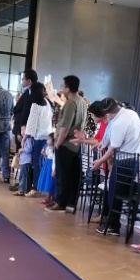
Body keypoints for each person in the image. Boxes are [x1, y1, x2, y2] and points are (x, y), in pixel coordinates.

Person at [91, 98, 140, 235]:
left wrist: (99, 161)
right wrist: (103, 143)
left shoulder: (120, 122)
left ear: (108, 114)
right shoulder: (129, 114)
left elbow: (114, 148)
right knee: (113, 191)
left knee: (114, 193)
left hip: (125, 161)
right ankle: (111, 221)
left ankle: (113, 225)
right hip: (132, 159)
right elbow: (110, 137)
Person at [46, 75, 87, 212]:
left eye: (63, 86)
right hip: (76, 144)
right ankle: (71, 203)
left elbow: (64, 127)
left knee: (62, 175)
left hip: (66, 143)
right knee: (72, 175)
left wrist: (57, 144)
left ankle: (61, 202)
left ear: (68, 88)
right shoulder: (81, 101)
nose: (61, 88)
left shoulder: (70, 103)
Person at [24, 82, 53, 197]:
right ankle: (40, 186)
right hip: (47, 136)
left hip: (39, 137)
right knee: (42, 162)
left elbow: (31, 125)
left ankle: (36, 188)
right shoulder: (47, 102)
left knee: (36, 163)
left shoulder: (35, 105)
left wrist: (24, 137)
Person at [13, 69, 38, 151]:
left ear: (29, 81)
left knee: (22, 153)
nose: (22, 81)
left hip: (23, 128)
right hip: (22, 127)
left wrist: (20, 131)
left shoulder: (30, 93)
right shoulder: (27, 92)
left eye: (23, 79)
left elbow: (26, 112)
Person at [13, 126, 33, 196]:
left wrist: (22, 149)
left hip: (27, 161)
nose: (23, 131)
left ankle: (24, 190)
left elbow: (29, 149)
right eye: (22, 130)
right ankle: (22, 189)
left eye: (25, 129)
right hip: (23, 161)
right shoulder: (23, 140)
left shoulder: (29, 139)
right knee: (22, 176)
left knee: (25, 177)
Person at [38, 133, 56, 206]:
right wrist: (44, 154)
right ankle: (49, 197)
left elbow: (54, 160)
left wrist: (54, 169)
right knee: (47, 180)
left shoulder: (55, 149)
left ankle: (50, 197)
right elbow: (47, 156)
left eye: (49, 139)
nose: (47, 141)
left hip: (51, 166)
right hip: (47, 164)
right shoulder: (48, 148)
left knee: (50, 181)